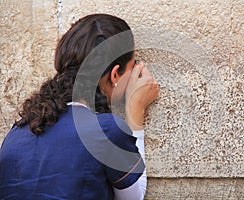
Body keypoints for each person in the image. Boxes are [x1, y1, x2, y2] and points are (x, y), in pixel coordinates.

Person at [0, 14, 159, 200]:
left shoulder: (17, 132)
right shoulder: (105, 129)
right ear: (115, 74)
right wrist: (135, 110)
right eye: (133, 66)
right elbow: (133, 197)